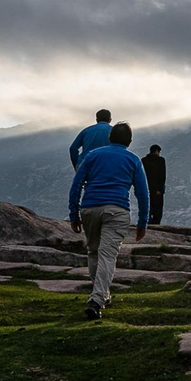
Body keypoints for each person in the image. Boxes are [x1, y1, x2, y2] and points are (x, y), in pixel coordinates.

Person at [68, 121, 149, 320]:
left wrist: (74, 214)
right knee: (107, 255)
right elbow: (142, 193)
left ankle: (102, 294)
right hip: (117, 210)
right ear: (129, 141)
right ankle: (96, 300)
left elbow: (76, 184)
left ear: (110, 137)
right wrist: (142, 222)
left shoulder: (92, 155)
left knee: (94, 251)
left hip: (90, 208)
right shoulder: (133, 160)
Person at [143, 144, 166, 225]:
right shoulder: (160, 160)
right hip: (157, 189)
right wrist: (160, 189)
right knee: (158, 208)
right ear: (156, 151)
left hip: (146, 188)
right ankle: (156, 224)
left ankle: (147, 223)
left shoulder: (144, 160)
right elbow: (162, 176)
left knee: (148, 207)